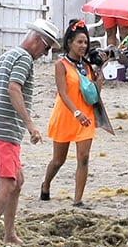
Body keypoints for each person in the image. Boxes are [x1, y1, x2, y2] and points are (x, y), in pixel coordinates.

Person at [0, 18, 57, 247]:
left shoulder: (6, 55)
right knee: (7, 183)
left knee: (17, 180)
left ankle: (9, 234)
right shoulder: (24, 59)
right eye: (47, 47)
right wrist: (30, 124)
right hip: (4, 131)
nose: (45, 53)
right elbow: (14, 88)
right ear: (37, 41)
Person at [40, 23, 106, 206]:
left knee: (83, 158)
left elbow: (94, 94)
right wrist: (75, 112)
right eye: (79, 42)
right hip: (66, 114)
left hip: (86, 115)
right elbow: (63, 92)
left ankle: (78, 200)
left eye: (85, 42)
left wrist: (100, 71)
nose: (83, 46)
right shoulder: (61, 64)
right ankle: (46, 185)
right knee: (58, 160)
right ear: (69, 43)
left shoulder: (88, 65)